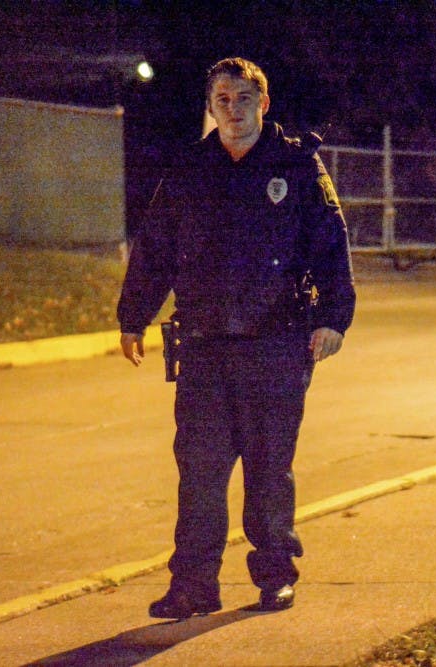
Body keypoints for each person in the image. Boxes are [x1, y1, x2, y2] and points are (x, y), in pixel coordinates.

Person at [117, 57, 356, 618]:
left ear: (262, 104)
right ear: (211, 106)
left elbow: (331, 245)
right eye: (222, 99)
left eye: (243, 98)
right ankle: (193, 587)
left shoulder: (296, 166)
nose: (232, 109)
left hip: (277, 342)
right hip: (203, 346)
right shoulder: (189, 168)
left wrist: (333, 317)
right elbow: (154, 248)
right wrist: (133, 317)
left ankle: (275, 576)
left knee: (269, 469)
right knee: (199, 473)